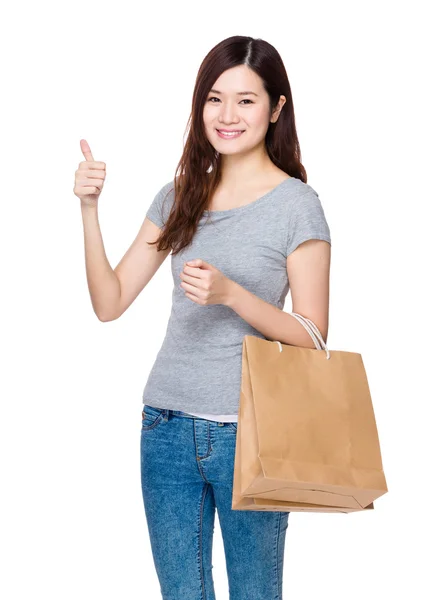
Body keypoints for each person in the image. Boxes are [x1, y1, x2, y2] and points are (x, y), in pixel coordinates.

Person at [74, 34, 331, 600]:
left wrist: (234, 295)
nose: (227, 114)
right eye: (215, 99)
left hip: (254, 433)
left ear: (276, 107)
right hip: (164, 426)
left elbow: (314, 337)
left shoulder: (296, 205)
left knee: (256, 592)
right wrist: (90, 212)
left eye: (245, 99)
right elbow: (109, 303)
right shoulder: (179, 195)